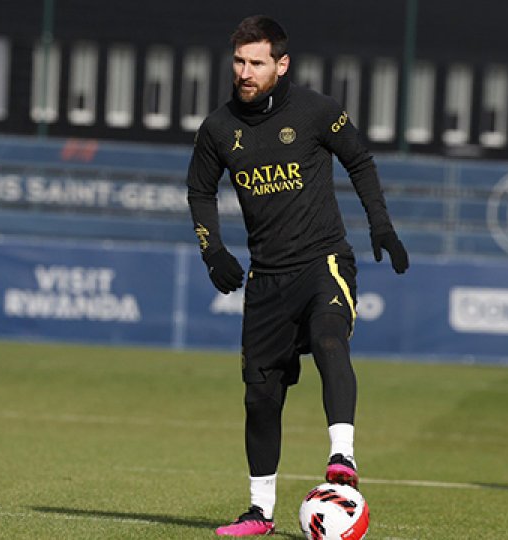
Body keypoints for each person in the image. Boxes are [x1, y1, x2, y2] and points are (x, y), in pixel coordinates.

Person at [186, 14, 408, 536]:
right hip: (267, 279)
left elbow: (360, 161)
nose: (245, 72)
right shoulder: (217, 129)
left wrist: (381, 225)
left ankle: (342, 458)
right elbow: (200, 190)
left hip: (322, 261)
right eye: (239, 61)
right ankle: (260, 512)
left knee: (330, 338)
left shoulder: (316, 111)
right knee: (260, 396)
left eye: (256, 62)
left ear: (281, 65)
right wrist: (212, 251)